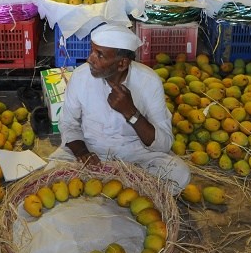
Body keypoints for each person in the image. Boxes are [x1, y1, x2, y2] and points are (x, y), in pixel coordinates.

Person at [51, 23, 191, 193]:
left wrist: (131, 113)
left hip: (136, 156)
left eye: (100, 55)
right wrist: (83, 153)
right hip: (92, 149)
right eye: (92, 51)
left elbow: (164, 143)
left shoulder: (148, 81)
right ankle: (125, 187)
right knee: (52, 172)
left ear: (122, 63)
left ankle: (108, 187)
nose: (90, 59)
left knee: (179, 174)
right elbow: (68, 123)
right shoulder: (80, 77)